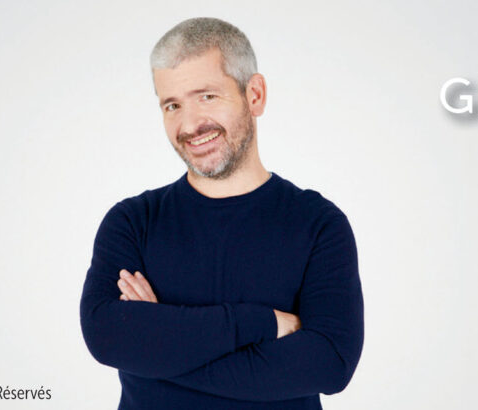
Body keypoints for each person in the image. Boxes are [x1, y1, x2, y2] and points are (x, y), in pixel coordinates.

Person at [79, 17, 364, 409]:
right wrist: (261, 323)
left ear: (255, 95)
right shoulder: (132, 222)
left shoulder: (318, 224)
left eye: (207, 96)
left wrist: (159, 350)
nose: (189, 124)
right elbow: (107, 336)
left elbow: (329, 365)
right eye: (172, 105)